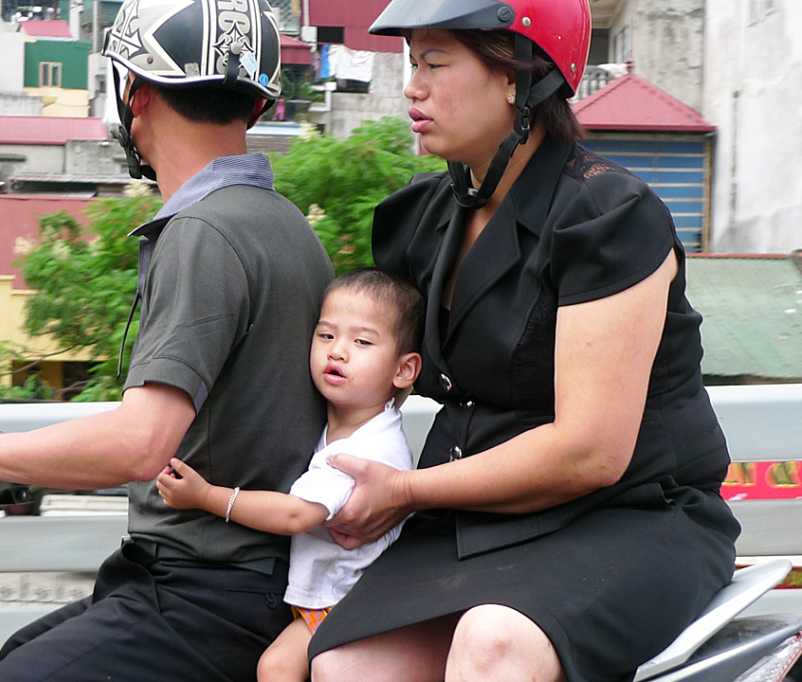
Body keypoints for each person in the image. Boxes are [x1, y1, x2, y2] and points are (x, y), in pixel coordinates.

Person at [0, 1, 334, 681]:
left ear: (136, 94)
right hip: (246, 582)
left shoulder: (204, 234)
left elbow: (138, 444)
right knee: (24, 653)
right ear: (256, 104)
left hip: (204, 593)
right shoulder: (289, 227)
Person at [306, 2, 741, 682]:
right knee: (345, 663)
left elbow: (591, 451)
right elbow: (364, 357)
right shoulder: (421, 219)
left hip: (632, 515)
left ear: (517, 76)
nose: (412, 87)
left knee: (493, 643)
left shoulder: (609, 216)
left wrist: (409, 488)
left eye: (436, 62)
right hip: (476, 519)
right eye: (412, 63)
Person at [156, 268, 424, 682]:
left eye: (362, 342)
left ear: (404, 370)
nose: (338, 352)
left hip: (354, 602)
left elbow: (295, 515)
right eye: (326, 335)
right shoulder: (339, 424)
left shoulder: (364, 451)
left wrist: (207, 496)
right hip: (332, 596)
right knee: (276, 665)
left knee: (283, 667)